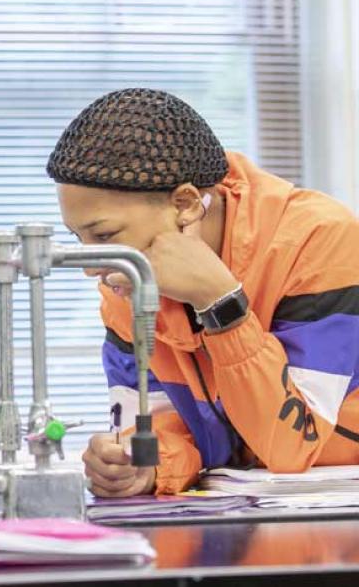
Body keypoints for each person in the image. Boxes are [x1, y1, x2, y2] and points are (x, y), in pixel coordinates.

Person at [46, 88, 359, 497]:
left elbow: (291, 444)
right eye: (79, 238)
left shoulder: (318, 239)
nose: (92, 268)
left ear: (186, 203)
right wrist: (145, 465)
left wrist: (220, 302)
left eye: (104, 235)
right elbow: (161, 425)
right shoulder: (126, 278)